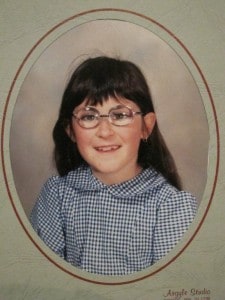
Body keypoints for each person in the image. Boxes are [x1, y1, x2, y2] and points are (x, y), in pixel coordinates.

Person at [30, 56, 197, 276]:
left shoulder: (172, 208)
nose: (105, 131)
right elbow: (42, 282)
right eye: (89, 116)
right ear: (70, 130)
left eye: (120, 115)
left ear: (146, 127)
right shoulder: (56, 197)